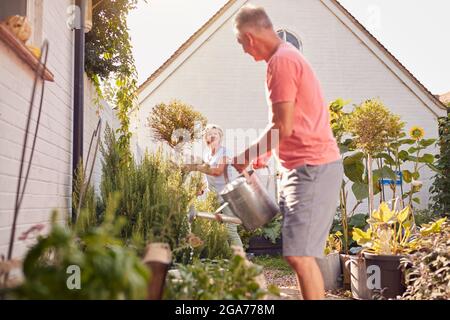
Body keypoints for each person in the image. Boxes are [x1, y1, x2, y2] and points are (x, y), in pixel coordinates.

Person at [231, 5, 343, 300]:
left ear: (250, 37)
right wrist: (265, 155)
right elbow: (293, 122)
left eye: (241, 43)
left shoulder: (281, 61)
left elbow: (282, 124)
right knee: (298, 255)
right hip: (303, 168)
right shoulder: (286, 59)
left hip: (312, 168)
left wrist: (246, 155)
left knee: (300, 255)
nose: (244, 51)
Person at [185, 124, 244, 248]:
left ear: (220, 137)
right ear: (205, 138)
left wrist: (196, 167)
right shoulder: (207, 154)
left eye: (215, 133)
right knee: (211, 229)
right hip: (213, 196)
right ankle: (223, 258)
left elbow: (218, 171)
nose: (212, 136)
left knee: (230, 230)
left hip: (229, 197)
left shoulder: (225, 152)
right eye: (209, 134)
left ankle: (241, 261)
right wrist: (201, 187)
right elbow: (208, 173)